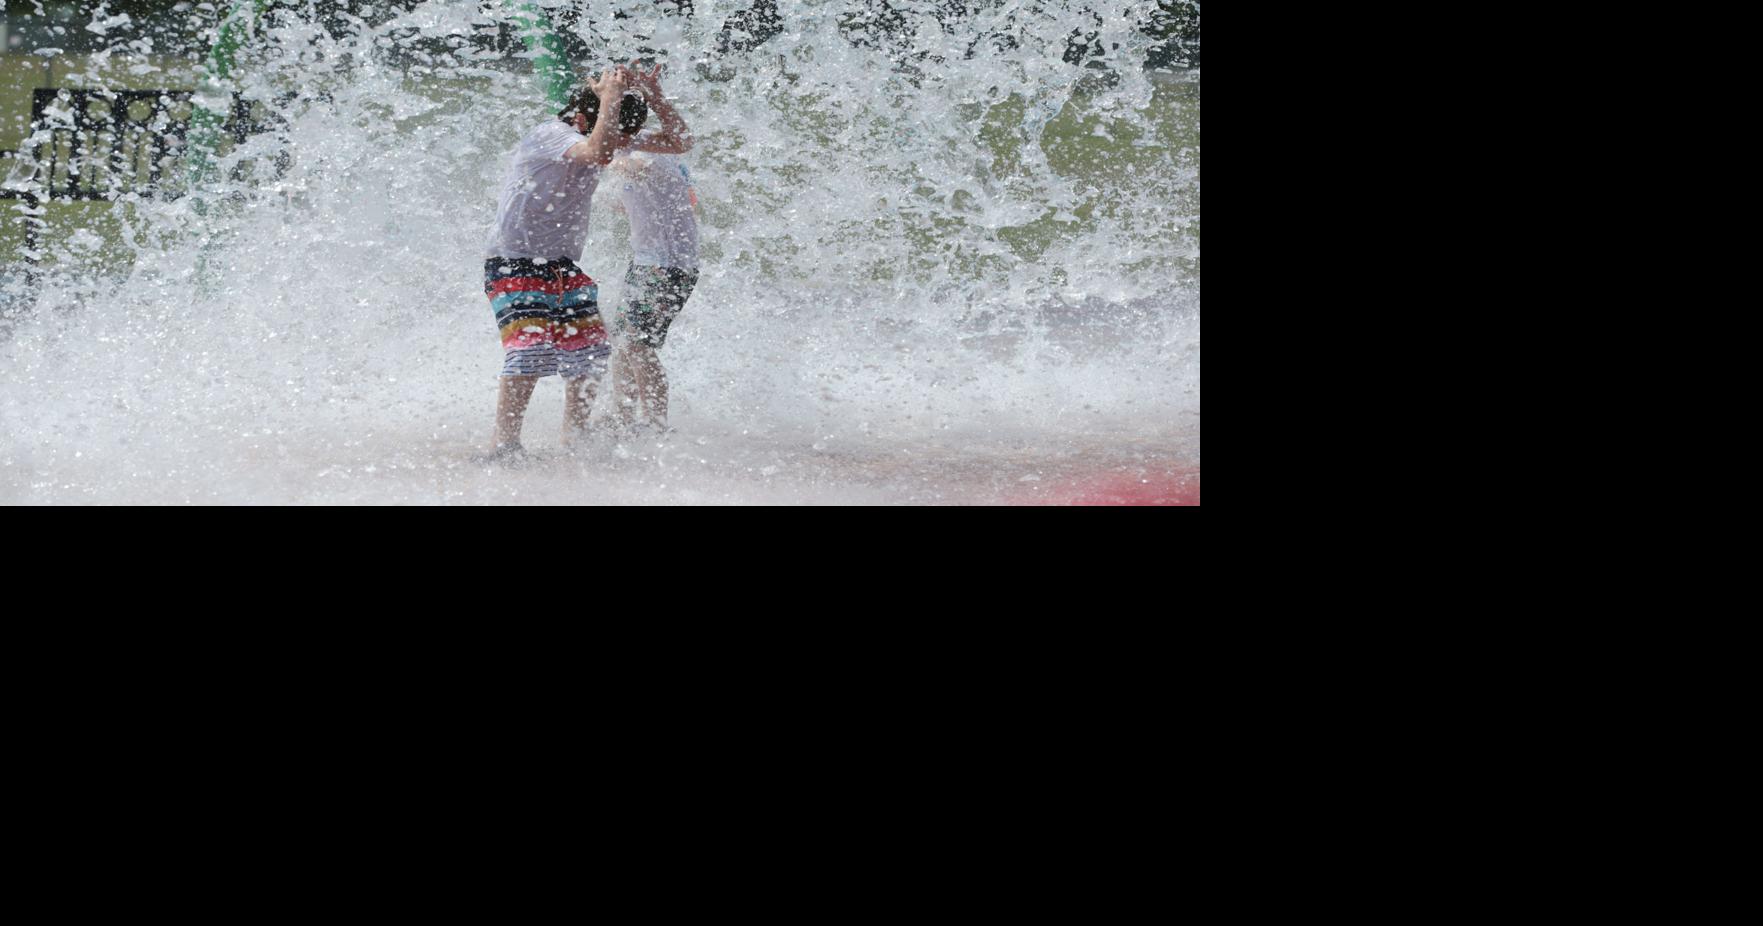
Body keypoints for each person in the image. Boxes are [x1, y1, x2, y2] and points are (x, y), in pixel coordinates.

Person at [481, 64, 648, 460]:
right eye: (617, 132)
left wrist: (652, 97)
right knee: (529, 352)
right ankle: (503, 446)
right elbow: (598, 151)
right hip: (515, 262)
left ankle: (575, 440)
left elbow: (678, 142)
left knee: (592, 352)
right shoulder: (551, 134)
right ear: (584, 119)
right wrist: (611, 99)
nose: (621, 145)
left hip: (562, 266)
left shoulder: (596, 133)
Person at [608, 63, 697, 432]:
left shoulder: (641, 150)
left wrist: (655, 97)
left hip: (666, 266)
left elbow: (642, 164)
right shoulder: (643, 142)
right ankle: (623, 420)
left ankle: (657, 427)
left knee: (637, 345)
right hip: (648, 262)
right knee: (622, 342)